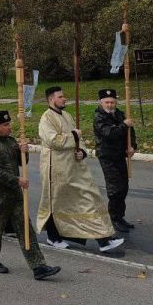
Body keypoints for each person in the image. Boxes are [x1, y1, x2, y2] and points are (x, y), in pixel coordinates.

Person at [37, 87, 124, 253]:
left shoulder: (67, 116)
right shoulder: (46, 118)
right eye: (61, 97)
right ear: (51, 100)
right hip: (56, 170)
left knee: (89, 199)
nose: (64, 99)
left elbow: (79, 139)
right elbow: (54, 140)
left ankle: (104, 239)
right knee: (55, 203)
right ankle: (54, 237)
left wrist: (81, 151)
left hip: (74, 168)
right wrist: (74, 136)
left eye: (64, 96)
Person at [0, 110, 61, 280]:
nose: (9, 127)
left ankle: (38, 266)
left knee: (25, 228)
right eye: (5, 125)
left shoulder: (10, 141)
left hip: (16, 194)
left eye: (9, 124)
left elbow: (21, 162)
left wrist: (22, 152)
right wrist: (17, 181)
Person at [92, 89, 137, 232]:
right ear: (101, 102)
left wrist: (132, 146)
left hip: (120, 155)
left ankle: (120, 216)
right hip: (107, 157)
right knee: (115, 189)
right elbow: (110, 134)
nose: (110, 105)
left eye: (112, 102)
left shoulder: (119, 114)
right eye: (107, 102)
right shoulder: (99, 117)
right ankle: (113, 218)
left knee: (124, 187)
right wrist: (125, 125)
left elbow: (131, 133)